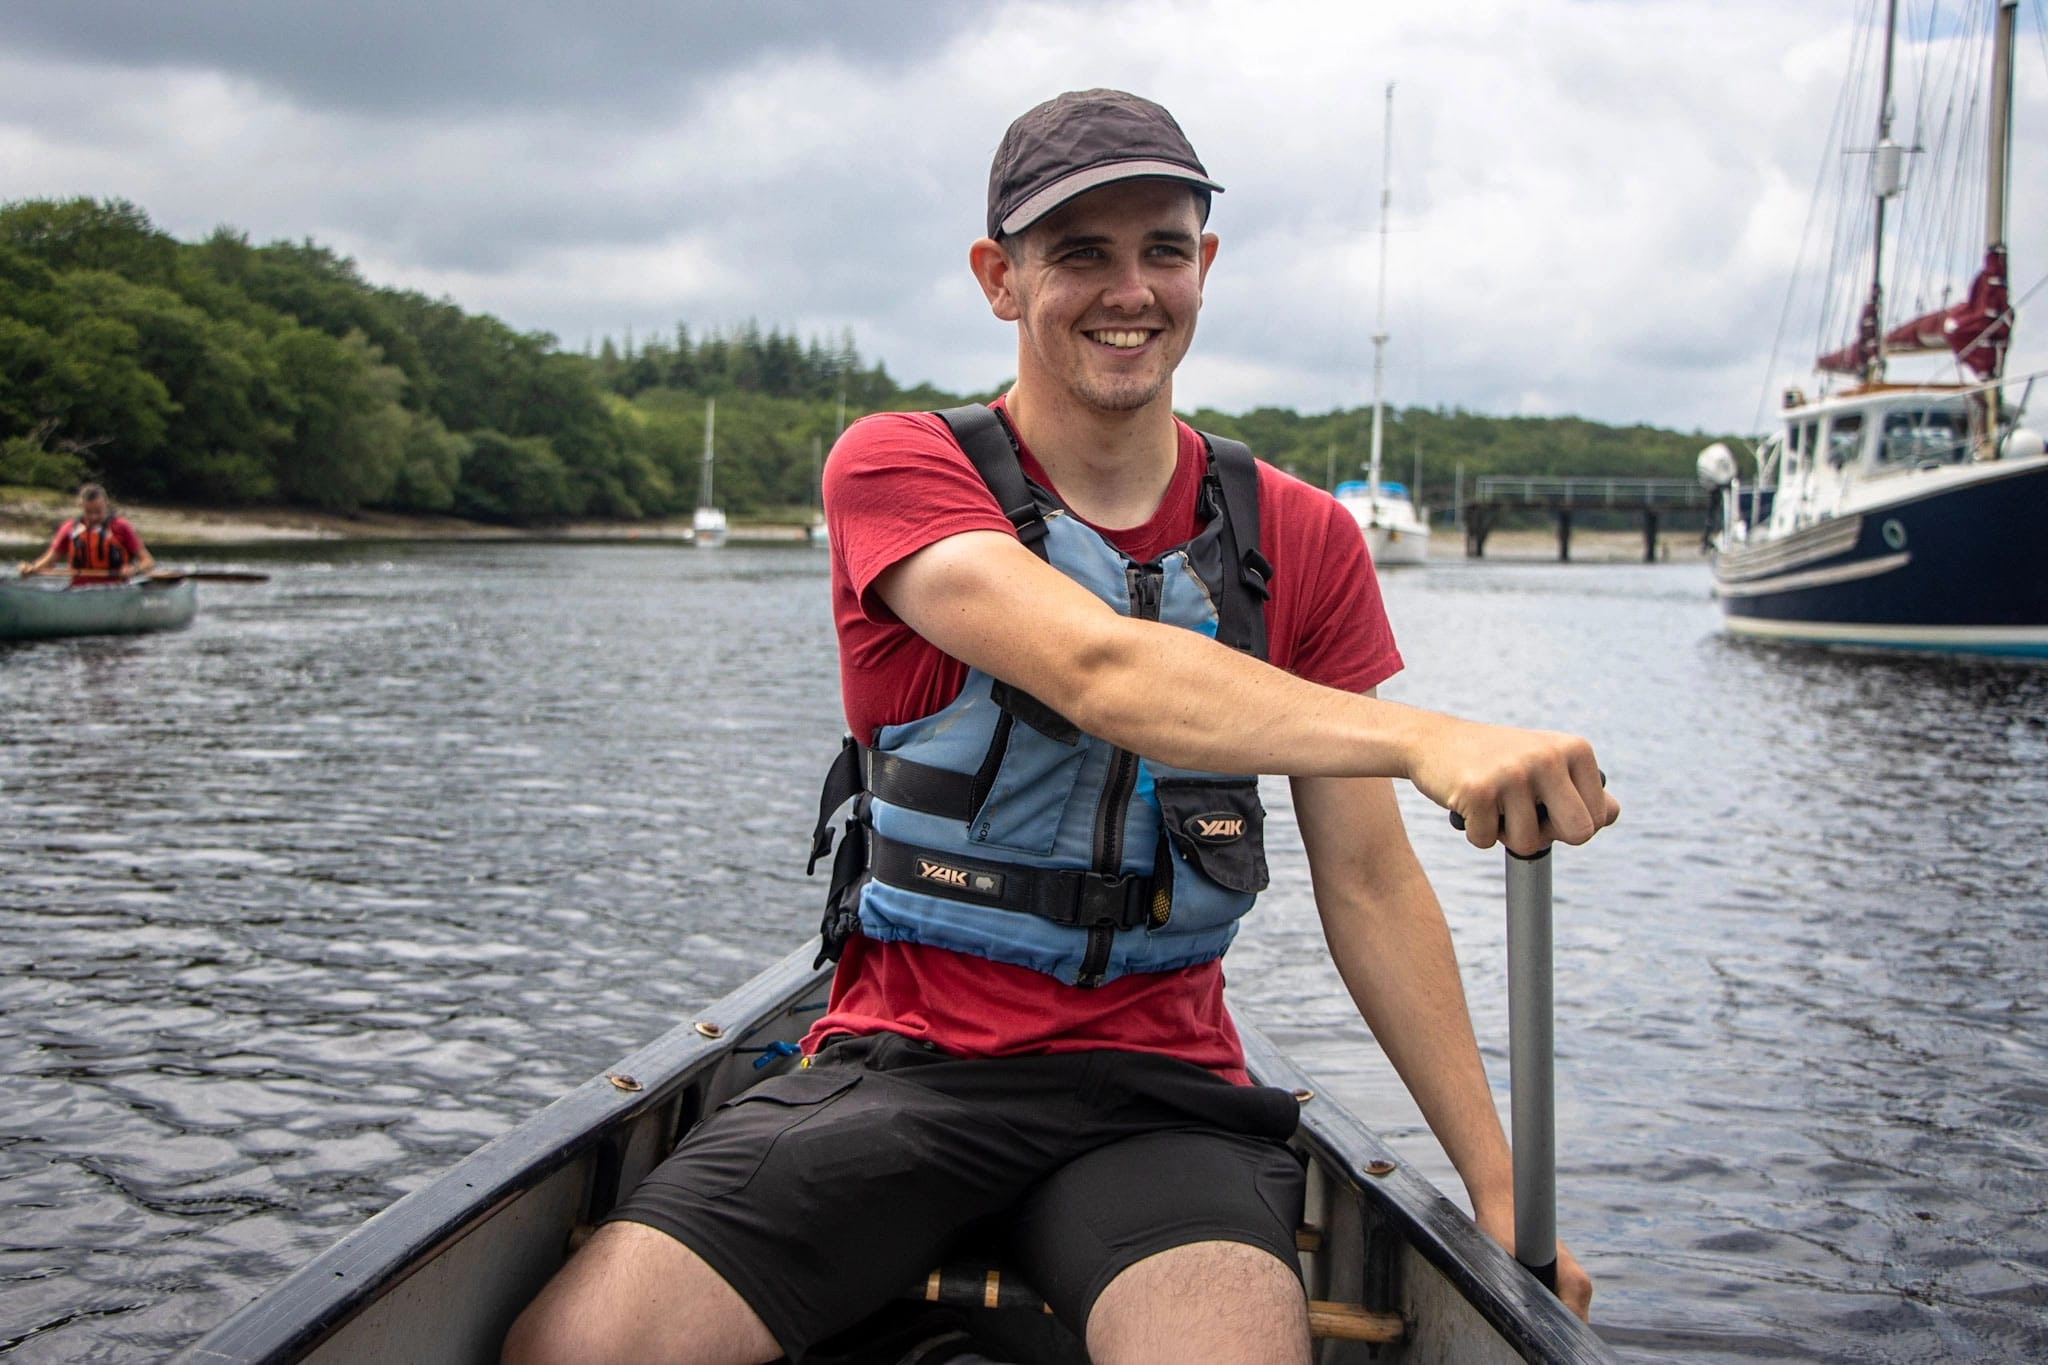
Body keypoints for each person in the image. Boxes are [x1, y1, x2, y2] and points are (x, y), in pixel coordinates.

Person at [505, 88, 1618, 1365]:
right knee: (577, 1350)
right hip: (904, 1063)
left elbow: (1367, 881)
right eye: (1078, 254)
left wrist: (1495, 1187)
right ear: (999, 279)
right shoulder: (897, 466)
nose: (1127, 290)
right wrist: (1429, 737)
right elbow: (1097, 668)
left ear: (1203, 266)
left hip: (1163, 1097)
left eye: (1160, 250)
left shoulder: (1300, 538)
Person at [16, 483, 156, 586]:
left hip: (115, 590)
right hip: (79, 591)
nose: (94, 517)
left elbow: (148, 561)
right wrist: (31, 569)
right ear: (81, 507)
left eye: (98, 511)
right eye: (89, 512)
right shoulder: (69, 528)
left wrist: (134, 569)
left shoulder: (121, 527)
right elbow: (49, 561)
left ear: (106, 504)